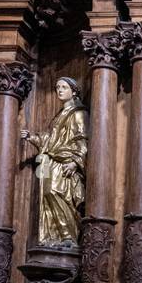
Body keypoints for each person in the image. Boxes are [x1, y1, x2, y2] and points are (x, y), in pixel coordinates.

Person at [21, 78, 88, 246]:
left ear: (73, 91)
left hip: (66, 163)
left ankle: (69, 237)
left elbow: (83, 139)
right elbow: (49, 140)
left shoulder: (79, 113)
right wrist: (31, 137)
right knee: (47, 196)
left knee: (58, 194)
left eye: (64, 87)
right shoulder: (59, 116)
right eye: (57, 87)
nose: (59, 90)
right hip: (51, 162)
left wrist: (75, 162)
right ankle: (54, 238)